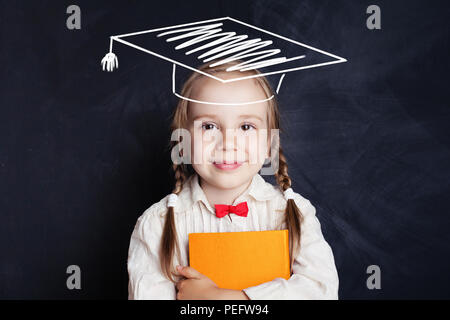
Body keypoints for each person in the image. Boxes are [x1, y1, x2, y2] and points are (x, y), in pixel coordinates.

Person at [127, 60, 339, 300]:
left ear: (270, 143)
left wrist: (226, 299)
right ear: (183, 143)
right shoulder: (156, 225)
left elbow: (321, 292)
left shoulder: (295, 214)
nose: (228, 143)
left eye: (246, 126)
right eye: (208, 126)